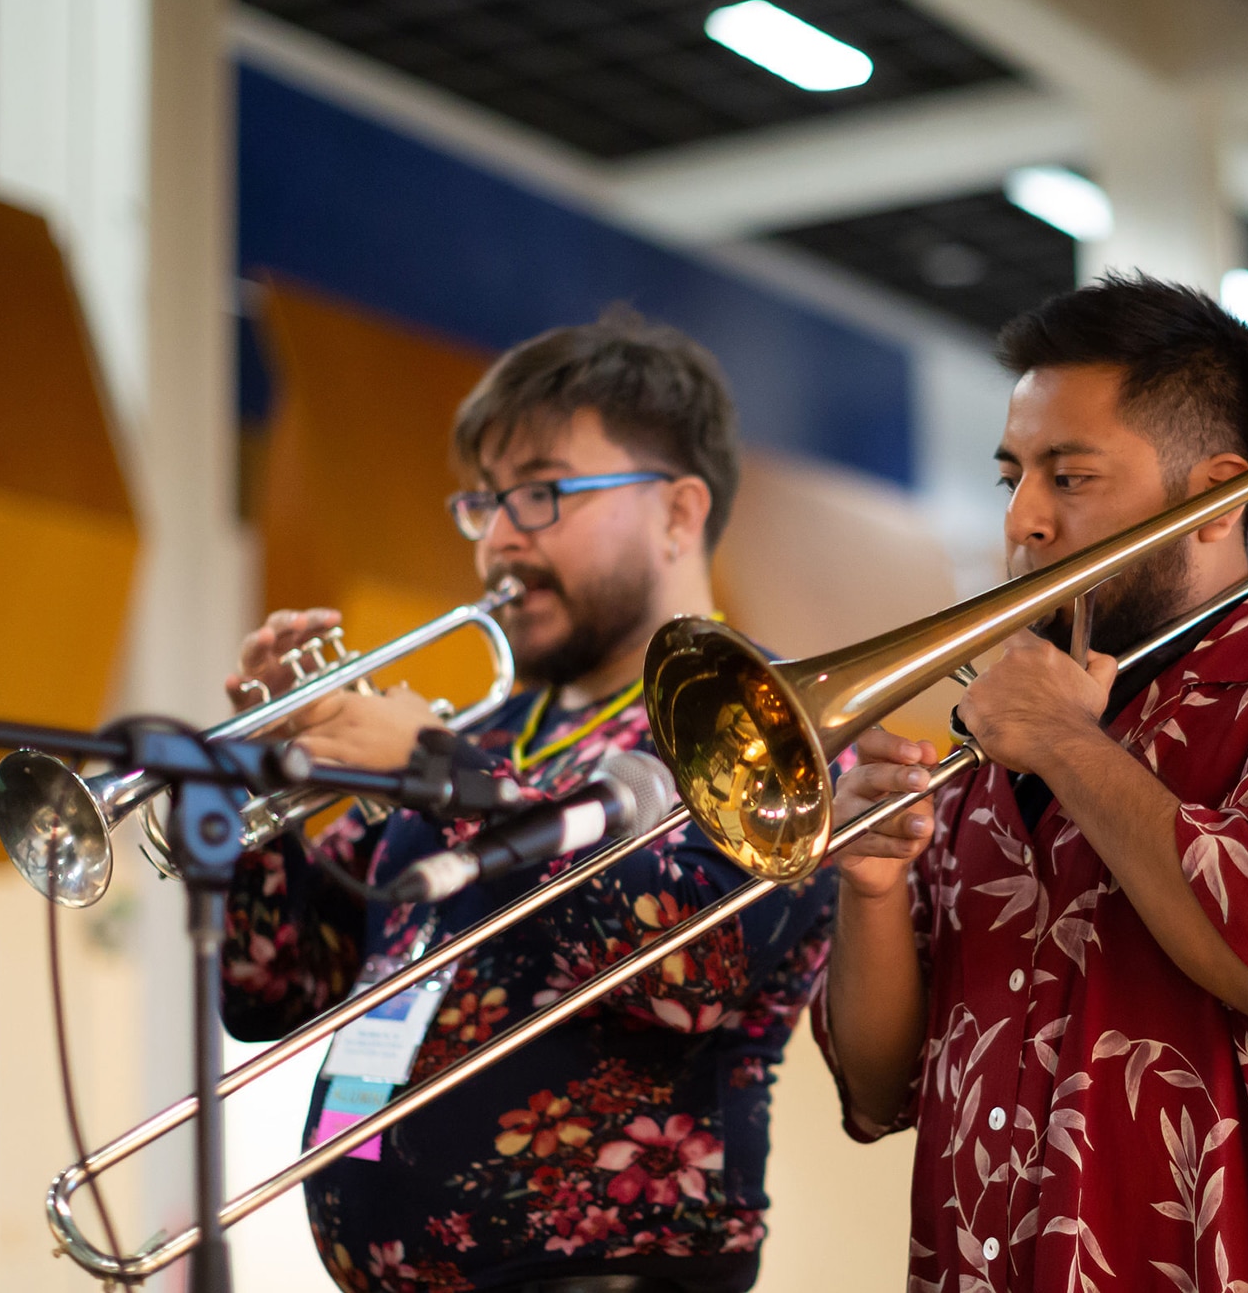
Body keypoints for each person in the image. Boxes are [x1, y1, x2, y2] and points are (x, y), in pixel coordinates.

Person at [818, 275, 1248, 1292]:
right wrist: (868, 887)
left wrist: (1067, 747)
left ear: (1214, 498)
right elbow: (876, 1084)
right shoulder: (998, 731)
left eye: (1067, 477)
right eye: (1010, 478)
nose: (1023, 518)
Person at [221, 310, 835, 1293]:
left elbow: (693, 974)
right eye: (485, 502)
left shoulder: (761, 719)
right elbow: (274, 990)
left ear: (678, 513)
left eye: (543, 493)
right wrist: (266, 791)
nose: (499, 540)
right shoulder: (496, 731)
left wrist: (448, 777)